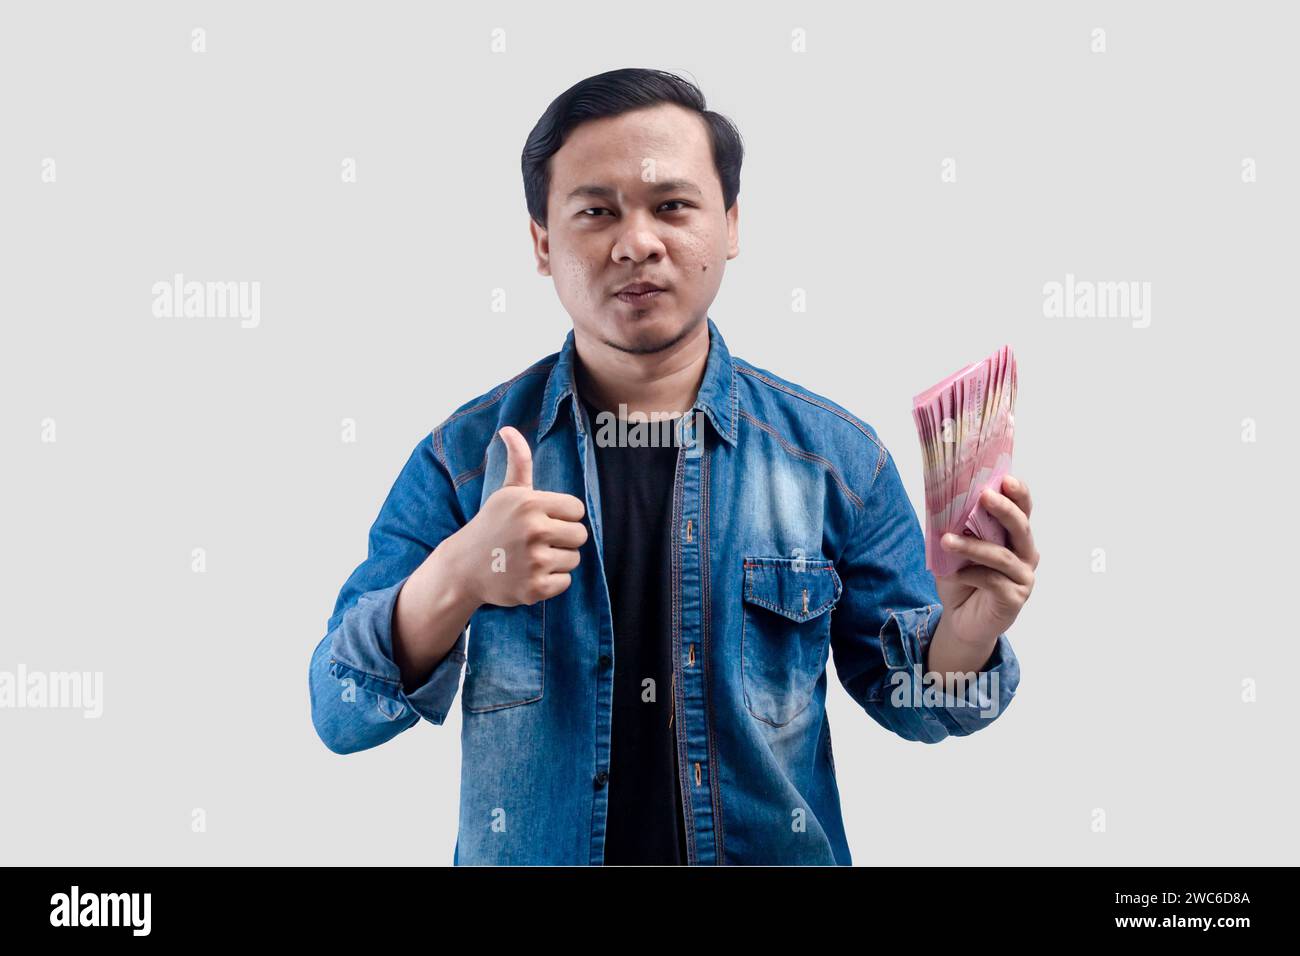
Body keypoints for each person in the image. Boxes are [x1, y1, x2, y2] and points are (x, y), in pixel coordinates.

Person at [308, 67, 1038, 866]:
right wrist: (459, 575)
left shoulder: (835, 461)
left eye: (672, 206)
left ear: (729, 225)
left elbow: (919, 709)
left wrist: (969, 635)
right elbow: (340, 714)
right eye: (596, 211)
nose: (638, 242)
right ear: (543, 243)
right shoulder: (460, 461)